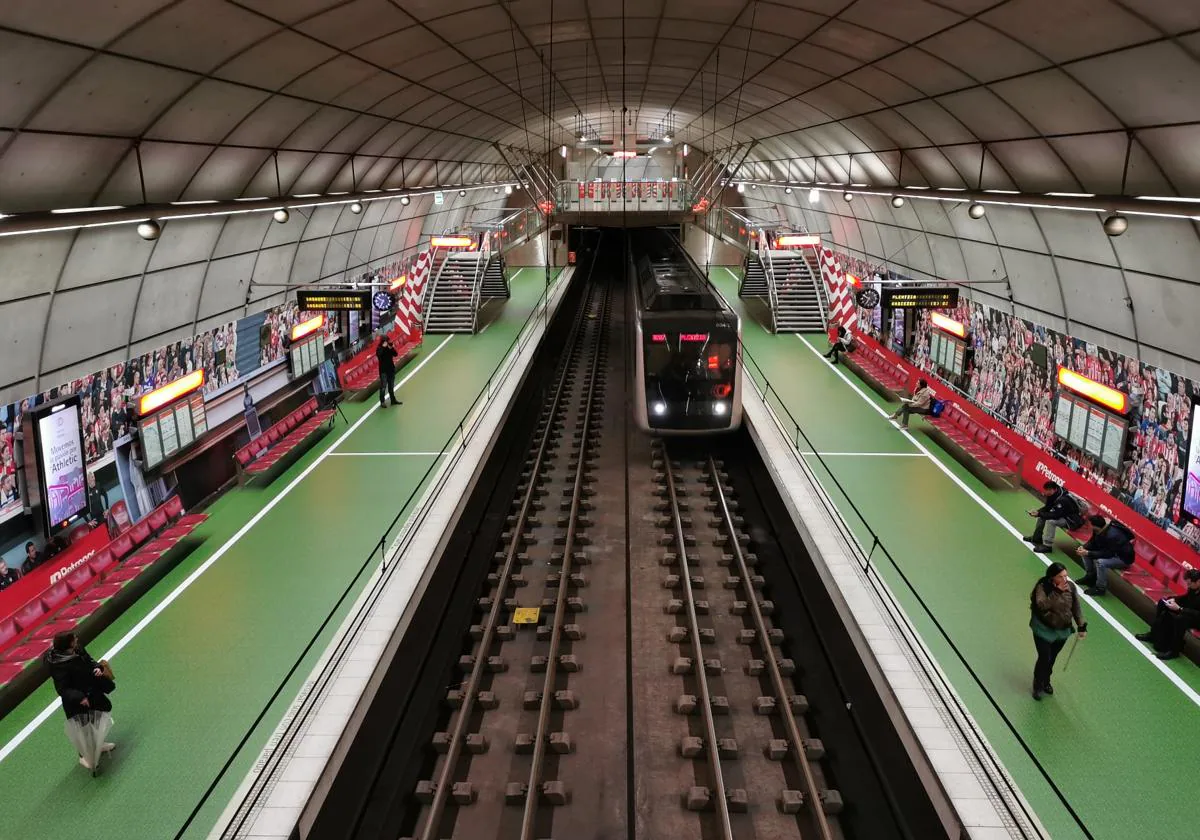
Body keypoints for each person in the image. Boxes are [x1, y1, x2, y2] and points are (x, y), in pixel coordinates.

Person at [44, 632, 116, 775]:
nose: (77, 639)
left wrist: (97, 668)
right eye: (74, 639)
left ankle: (98, 744)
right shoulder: (57, 664)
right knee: (82, 728)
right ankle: (83, 756)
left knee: (101, 713)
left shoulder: (77, 649)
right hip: (77, 701)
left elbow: (89, 660)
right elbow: (62, 689)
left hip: (92, 691)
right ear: (68, 644)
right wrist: (79, 698)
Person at [1029, 562, 1087, 700]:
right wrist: (1057, 591)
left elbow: (1076, 608)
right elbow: (1042, 605)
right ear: (1052, 577)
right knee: (1044, 657)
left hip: (1062, 629)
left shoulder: (1071, 587)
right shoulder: (1042, 587)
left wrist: (1081, 626)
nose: (1065, 580)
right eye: (1061, 577)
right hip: (1043, 629)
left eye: (1066, 576)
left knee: (1052, 658)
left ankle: (1046, 681)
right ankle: (1037, 685)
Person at [1136, 568, 1200, 660]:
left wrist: (1180, 609)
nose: (1188, 586)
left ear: (1198, 581)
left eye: (1190, 584)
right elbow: (1187, 598)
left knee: (1181, 619)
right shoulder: (1193, 587)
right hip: (1189, 611)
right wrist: (1173, 599)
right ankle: (1153, 634)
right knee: (1163, 602)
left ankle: (1174, 651)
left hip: (1197, 618)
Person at [1074, 514, 1134, 595]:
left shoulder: (1113, 535)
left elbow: (1108, 554)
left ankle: (1100, 588)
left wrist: (1088, 553)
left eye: (1090, 524)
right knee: (1085, 551)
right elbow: (1093, 542)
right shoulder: (1098, 530)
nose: (1088, 525)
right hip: (1110, 551)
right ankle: (1090, 577)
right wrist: (1083, 547)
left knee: (1101, 562)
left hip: (1123, 558)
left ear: (1095, 526)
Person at [1023, 481, 1083, 554]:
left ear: (1053, 490)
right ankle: (1037, 538)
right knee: (1042, 516)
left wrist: (1039, 514)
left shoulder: (1063, 499)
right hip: (1062, 515)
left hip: (1071, 520)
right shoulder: (1053, 494)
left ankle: (1047, 546)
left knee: (1051, 521)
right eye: (1045, 490)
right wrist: (1037, 512)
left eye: (1047, 491)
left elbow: (1055, 515)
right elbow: (1048, 508)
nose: (1045, 492)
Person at [375, 335, 401, 408]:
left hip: (391, 369)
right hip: (383, 371)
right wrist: (384, 347)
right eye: (386, 341)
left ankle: (393, 400)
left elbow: (396, 354)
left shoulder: (389, 347)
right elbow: (379, 355)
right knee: (383, 386)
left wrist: (391, 348)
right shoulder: (379, 348)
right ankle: (382, 401)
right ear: (383, 341)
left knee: (391, 386)